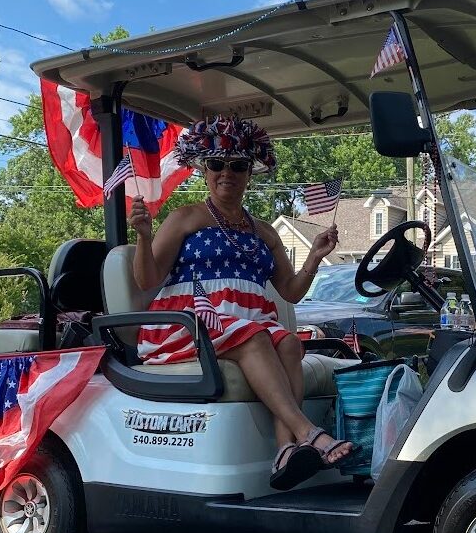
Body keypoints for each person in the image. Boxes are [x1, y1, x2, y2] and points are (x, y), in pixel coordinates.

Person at [129, 115, 357, 490]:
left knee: (289, 342)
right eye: (216, 164)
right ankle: (308, 433)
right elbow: (147, 279)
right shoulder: (186, 217)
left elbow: (290, 290)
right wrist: (142, 236)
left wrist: (315, 257)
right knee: (256, 337)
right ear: (204, 170)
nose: (226, 173)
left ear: (250, 172)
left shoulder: (264, 231)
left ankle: (285, 450)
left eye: (237, 165)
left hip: (248, 323)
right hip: (190, 324)